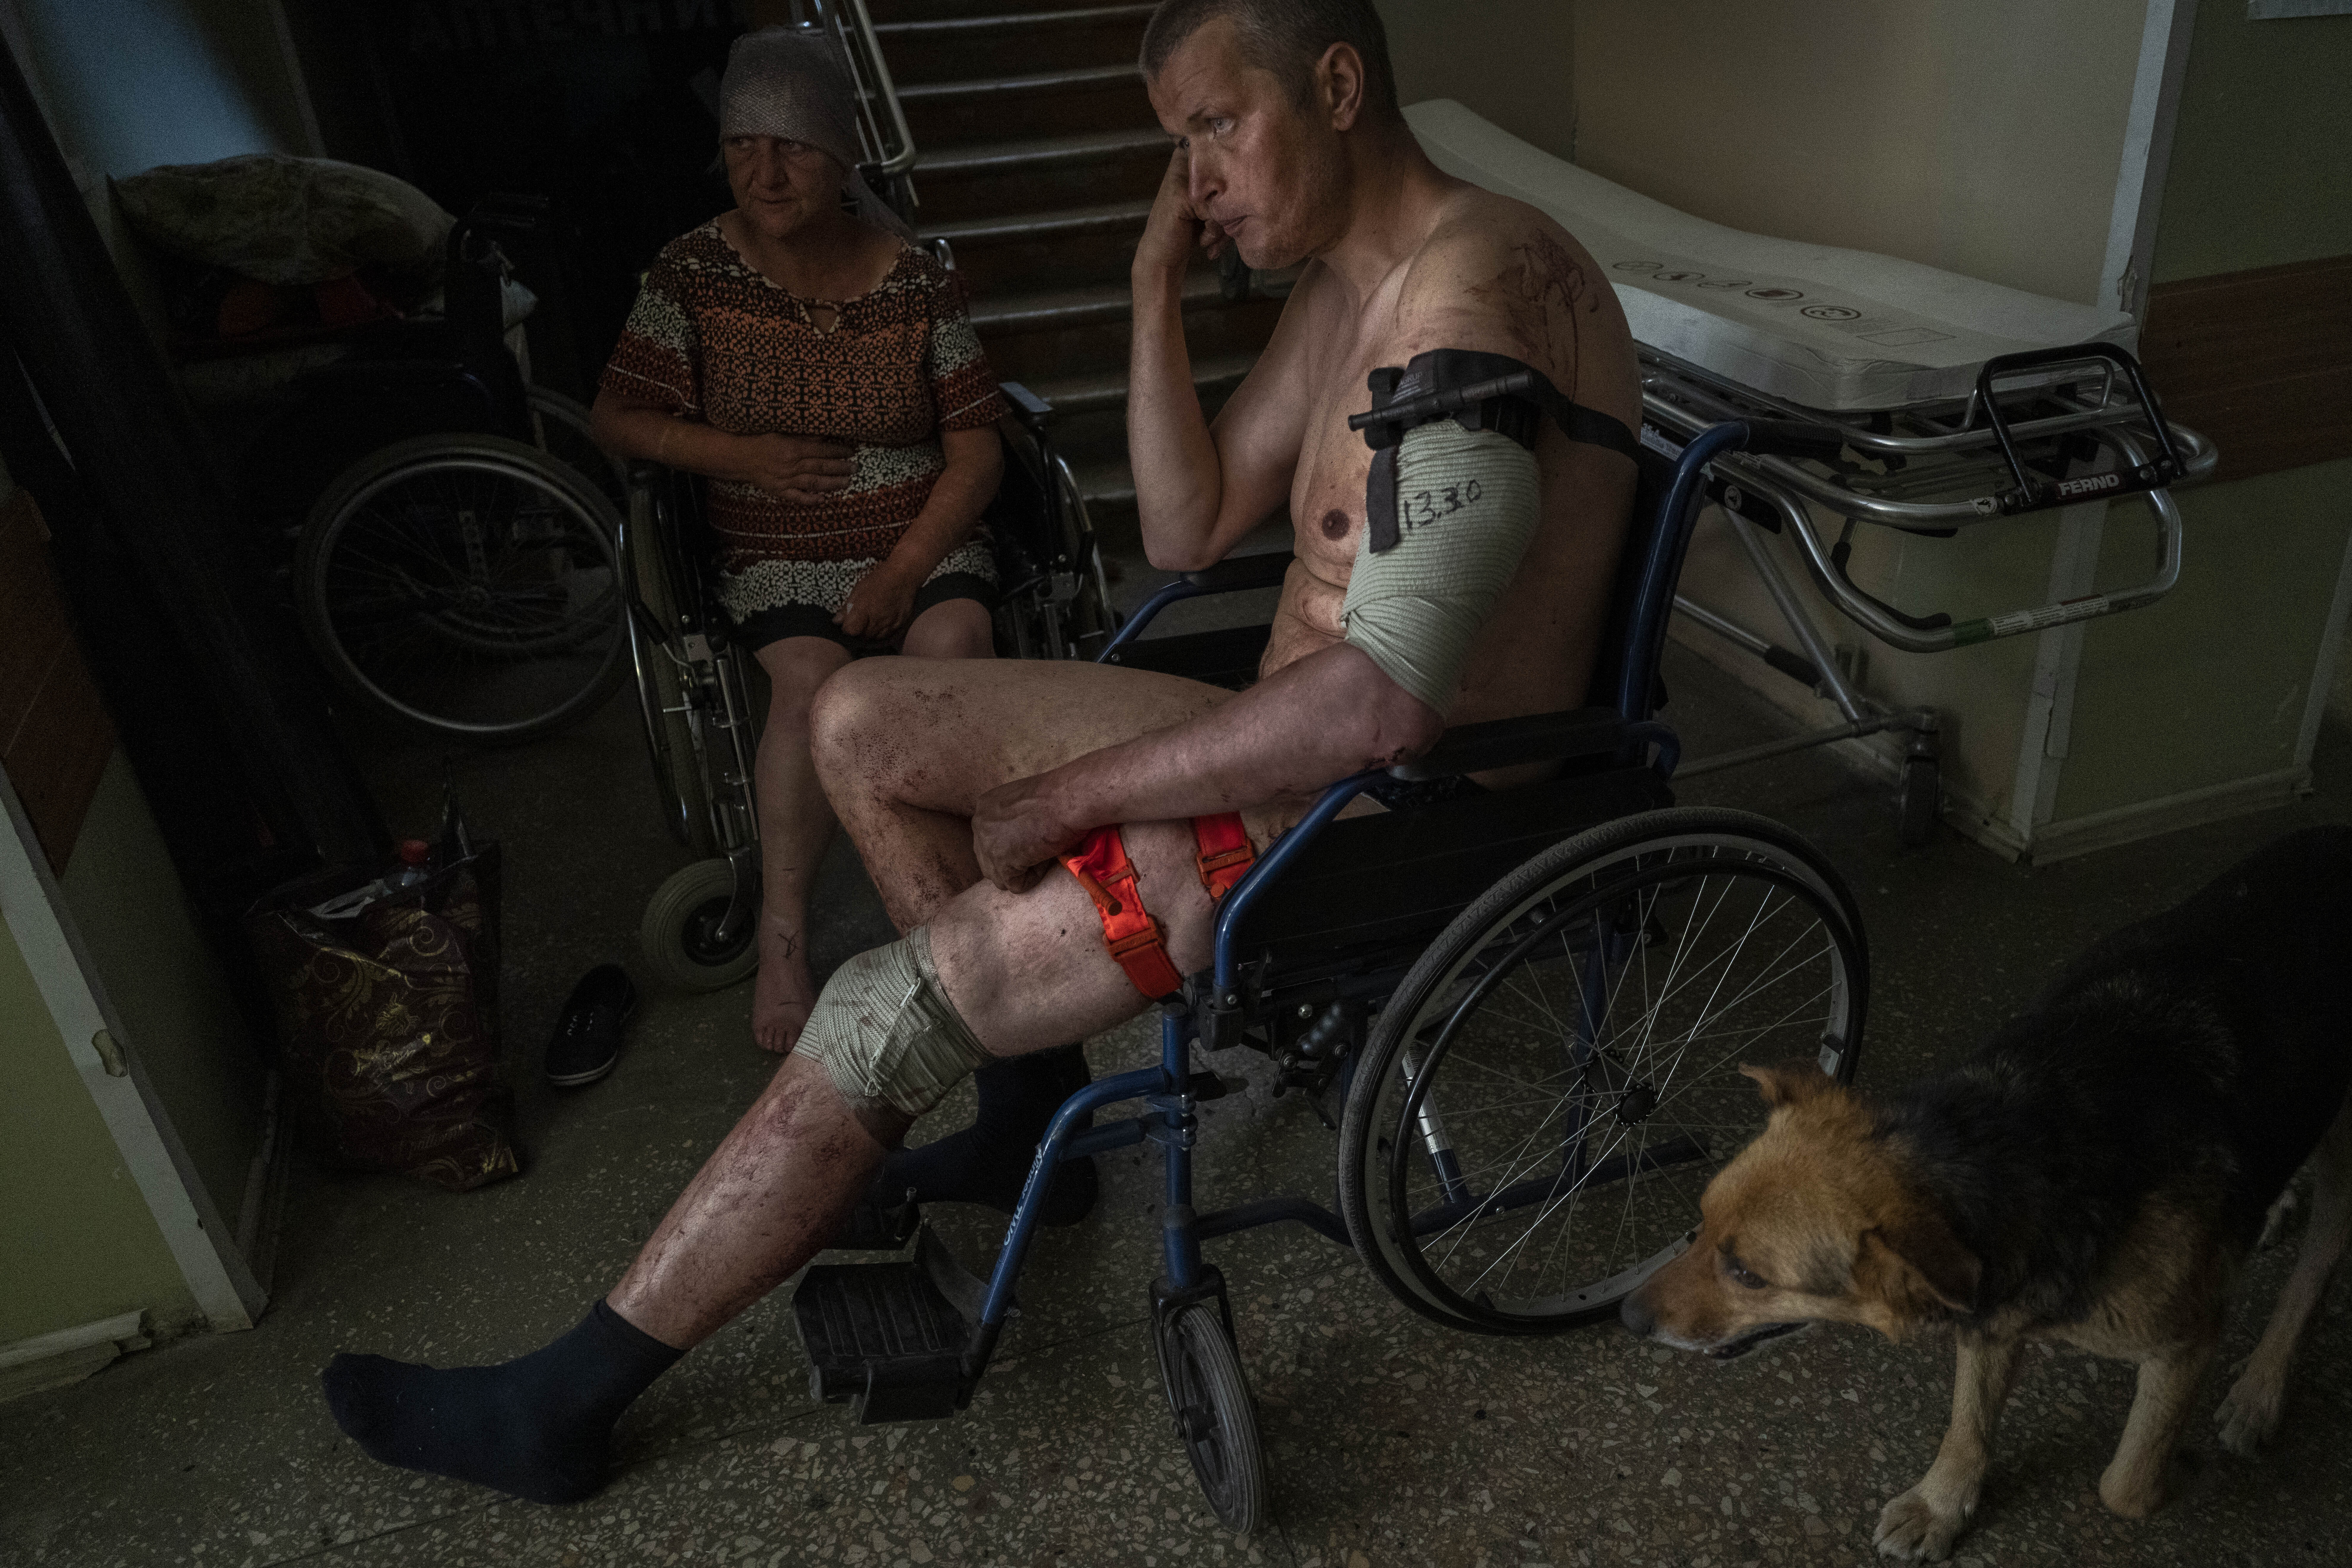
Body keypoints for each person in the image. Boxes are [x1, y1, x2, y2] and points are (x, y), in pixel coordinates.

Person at [320, 0, 1640, 1506]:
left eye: (1216, 127)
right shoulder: (1351, 285)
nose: (1197, 178)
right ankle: (1029, 1121)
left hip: (1385, 797)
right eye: (1174, 148)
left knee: (886, 1004)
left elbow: (1386, 703)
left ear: (1337, 87)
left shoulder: (1471, 288)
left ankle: (567, 1400)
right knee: (859, 719)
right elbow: (1186, 526)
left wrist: (1072, 799)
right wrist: (1149, 283)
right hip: (1285, 730)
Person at [589, 27, 1007, 1055]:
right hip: (775, 539)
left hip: (921, 535)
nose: (765, 173)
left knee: (949, 656)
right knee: (810, 682)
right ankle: (783, 938)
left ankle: (958, 912)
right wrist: (744, 459)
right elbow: (619, 415)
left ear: (843, 155)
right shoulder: (691, 274)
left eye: (795, 147)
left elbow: (978, 453)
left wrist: (905, 569)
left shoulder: (917, 279)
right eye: (743, 147)